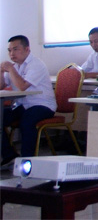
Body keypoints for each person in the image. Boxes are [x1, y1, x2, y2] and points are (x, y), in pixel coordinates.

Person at [1, 36, 57, 167]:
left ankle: (27, 162)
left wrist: (11, 69)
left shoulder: (36, 65)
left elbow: (22, 86)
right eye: (9, 50)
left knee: (27, 121)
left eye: (15, 49)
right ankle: (9, 156)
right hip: (23, 105)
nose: (12, 53)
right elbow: (1, 86)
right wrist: (1, 71)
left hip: (42, 105)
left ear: (27, 49)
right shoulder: (14, 66)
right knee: (1, 117)